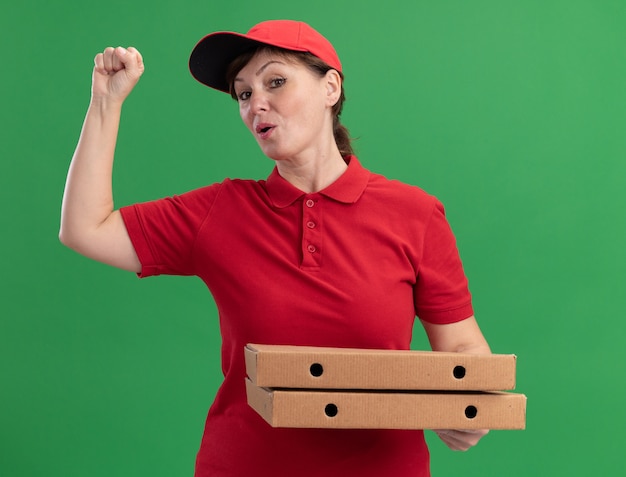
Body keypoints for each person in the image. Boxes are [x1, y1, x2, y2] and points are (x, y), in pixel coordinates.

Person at [60, 19, 492, 477]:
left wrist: (469, 408)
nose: (255, 105)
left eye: (276, 82)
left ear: (330, 88)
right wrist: (105, 104)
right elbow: (85, 228)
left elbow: (463, 347)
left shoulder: (415, 213)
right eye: (243, 94)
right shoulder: (222, 210)